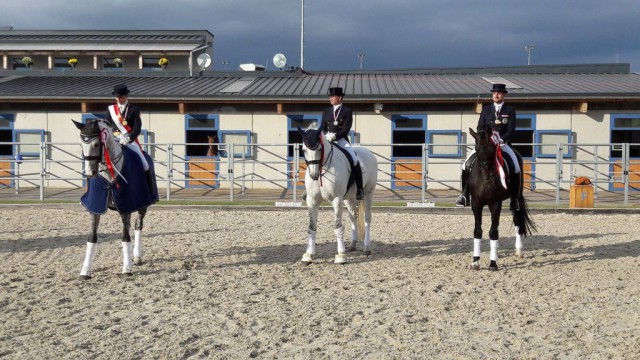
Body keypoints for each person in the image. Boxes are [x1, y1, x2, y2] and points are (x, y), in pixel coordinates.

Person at [456, 83, 522, 210]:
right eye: (494, 93)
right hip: (486, 144)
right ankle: (464, 195)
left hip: (503, 144)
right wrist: (485, 139)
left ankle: (514, 199)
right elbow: (480, 127)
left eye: (499, 93)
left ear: (503, 95)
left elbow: (511, 129)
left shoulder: (509, 110)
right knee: (466, 164)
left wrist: (502, 139)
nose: (496, 95)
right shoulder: (486, 110)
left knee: (516, 166)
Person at [105, 84, 153, 191]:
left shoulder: (134, 109)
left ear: (126, 96)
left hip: (129, 141)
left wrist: (129, 138)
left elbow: (137, 127)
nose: (120, 99)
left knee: (145, 164)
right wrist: (114, 136)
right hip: (115, 139)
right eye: (118, 97)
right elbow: (108, 125)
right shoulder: (111, 110)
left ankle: (150, 189)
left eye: (121, 97)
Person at [321, 87, 364, 200]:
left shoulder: (347, 111)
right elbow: (323, 127)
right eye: (330, 96)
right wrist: (326, 135)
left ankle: (359, 189)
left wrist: (335, 135)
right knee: (317, 156)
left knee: (354, 159)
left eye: (333, 96)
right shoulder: (326, 111)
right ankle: (310, 188)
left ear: (340, 98)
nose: (330, 98)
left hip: (341, 139)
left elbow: (346, 129)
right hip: (327, 139)